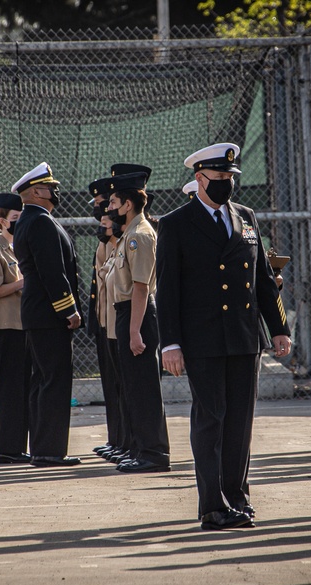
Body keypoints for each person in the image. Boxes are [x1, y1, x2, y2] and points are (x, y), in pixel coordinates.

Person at [156, 143, 292, 530]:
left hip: (244, 337)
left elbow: (262, 280)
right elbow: (166, 291)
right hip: (202, 340)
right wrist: (170, 343)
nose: (227, 185)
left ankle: (237, 497)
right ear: (200, 179)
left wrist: (279, 327)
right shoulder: (176, 223)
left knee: (239, 423)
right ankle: (212, 505)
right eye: (219, 179)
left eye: (231, 178)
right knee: (210, 420)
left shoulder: (245, 217)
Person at [11, 162, 83, 467]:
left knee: (43, 380)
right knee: (54, 381)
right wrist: (69, 309)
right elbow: (52, 273)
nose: (55, 192)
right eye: (49, 187)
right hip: (50, 315)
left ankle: (43, 448)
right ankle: (51, 451)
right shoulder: (40, 222)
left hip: (38, 313)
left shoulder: (29, 220)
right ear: (35, 192)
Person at [104, 171, 170, 473]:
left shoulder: (139, 236)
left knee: (144, 389)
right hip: (127, 314)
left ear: (128, 204)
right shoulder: (128, 234)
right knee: (133, 387)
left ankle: (154, 453)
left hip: (138, 316)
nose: (109, 208)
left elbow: (141, 287)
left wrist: (134, 332)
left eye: (114, 202)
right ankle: (141, 449)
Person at [0, 192, 32, 464]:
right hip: (5, 327)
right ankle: (6, 449)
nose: (18, 222)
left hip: (21, 326)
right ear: (2, 221)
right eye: (14, 218)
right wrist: (22, 283)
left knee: (22, 387)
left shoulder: (17, 247)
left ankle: (17, 446)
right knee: (10, 389)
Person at [88, 176, 126, 461]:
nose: (103, 211)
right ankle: (119, 440)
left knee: (125, 387)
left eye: (106, 205)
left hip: (122, 321)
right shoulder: (107, 240)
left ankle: (129, 442)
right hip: (107, 320)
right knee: (113, 387)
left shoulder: (126, 238)